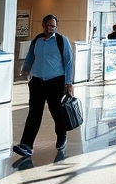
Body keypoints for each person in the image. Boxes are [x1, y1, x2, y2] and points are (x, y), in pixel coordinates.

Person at [13, 14, 75, 158]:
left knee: (56, 111)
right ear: (43, 24)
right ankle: (26, 145)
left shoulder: (61, 40)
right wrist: (26, 69)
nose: (49, 28)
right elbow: (30, 56)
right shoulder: (37, 40)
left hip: (56, 80)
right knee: (34, 113)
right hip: (37, 81)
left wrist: (69, 83)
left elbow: (68, 62)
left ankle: (61, 134)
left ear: (56, 26)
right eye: (47, 25)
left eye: (52, 26)